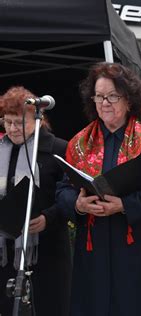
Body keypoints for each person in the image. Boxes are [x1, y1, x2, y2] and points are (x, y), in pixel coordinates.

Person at [55, 63, 141, 316]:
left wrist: (125, 204)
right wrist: (78, 205)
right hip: (94, 251)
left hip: (139, 246)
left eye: (113, 96)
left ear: (129, 100)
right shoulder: (79, 142)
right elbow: (62, 190)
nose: (105, 103)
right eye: (99, 96)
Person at [0, 86, 72, 316]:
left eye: (20, 122)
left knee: (50, 306)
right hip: (8, 251)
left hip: (48, 248)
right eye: (8, 122)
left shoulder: (58, 149)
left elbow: (71, 194)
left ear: (38, 120)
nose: (13, 128)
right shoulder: (1, 151)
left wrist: (48, 217)